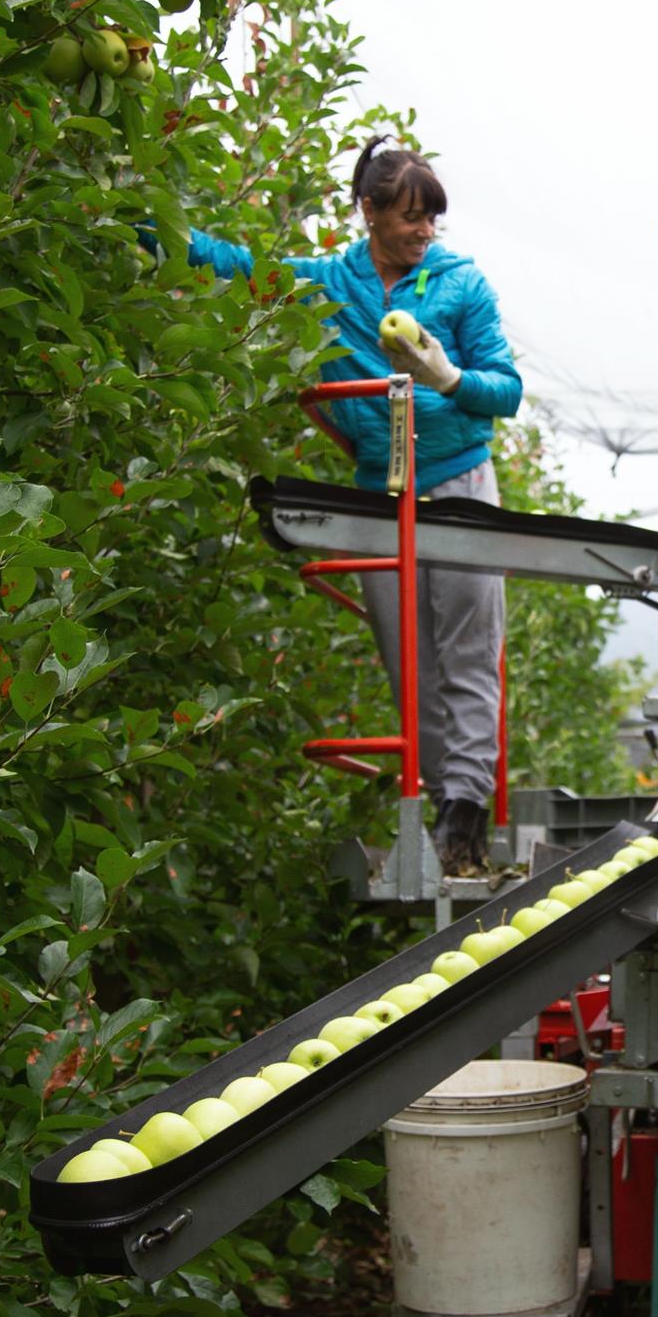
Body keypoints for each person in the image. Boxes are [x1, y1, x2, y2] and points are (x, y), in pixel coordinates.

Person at [178, 138, 522, 872]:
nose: (424, 231)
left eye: (432, 217)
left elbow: (508, 391)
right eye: (409, 216)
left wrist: (449, 375)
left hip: (459, 481)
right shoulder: (330, 284)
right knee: (409, 666)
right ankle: (440, 798)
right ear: (367, 211)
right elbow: (242, 268)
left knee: (467, 651)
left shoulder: (460, 285)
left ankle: (465, 810)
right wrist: (160, 234)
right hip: (383, 492)